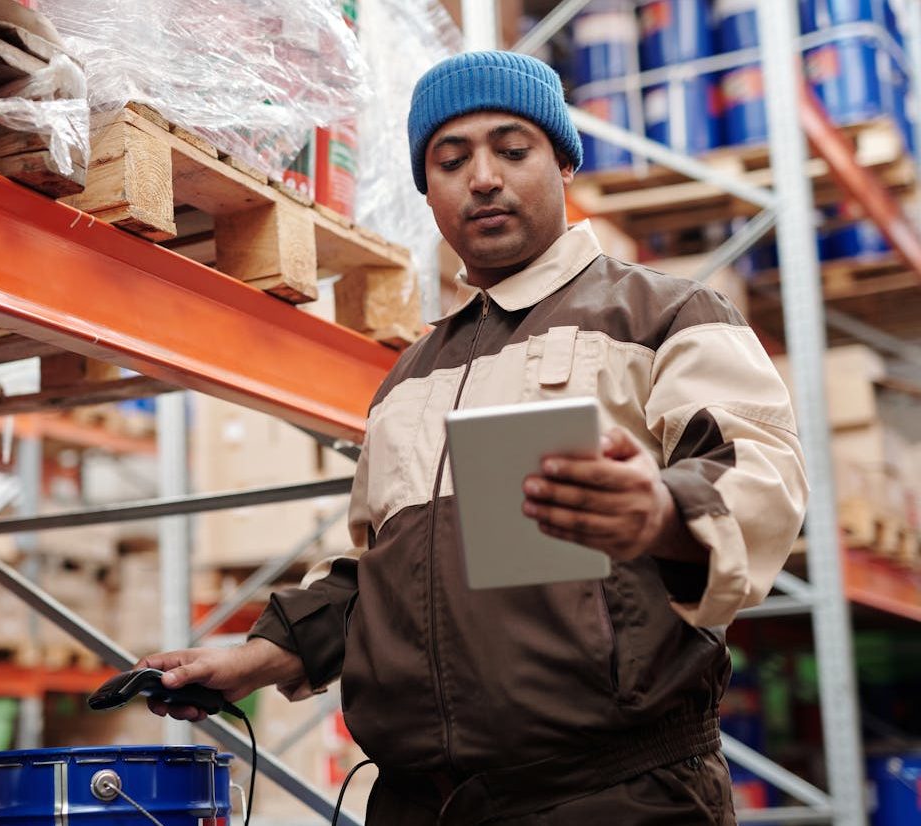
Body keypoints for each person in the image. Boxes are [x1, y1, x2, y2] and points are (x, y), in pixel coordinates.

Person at [139, 51, 808, 824]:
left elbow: (763, 478)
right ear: (429, 193)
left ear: (561, 162)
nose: (482, 178)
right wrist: (260, 657)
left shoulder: (663, 317)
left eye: (512, 149)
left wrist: (661, 512)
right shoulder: (411, 376)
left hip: (613, 799)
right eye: (449, 161)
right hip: (426, 806)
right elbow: (389, 575)